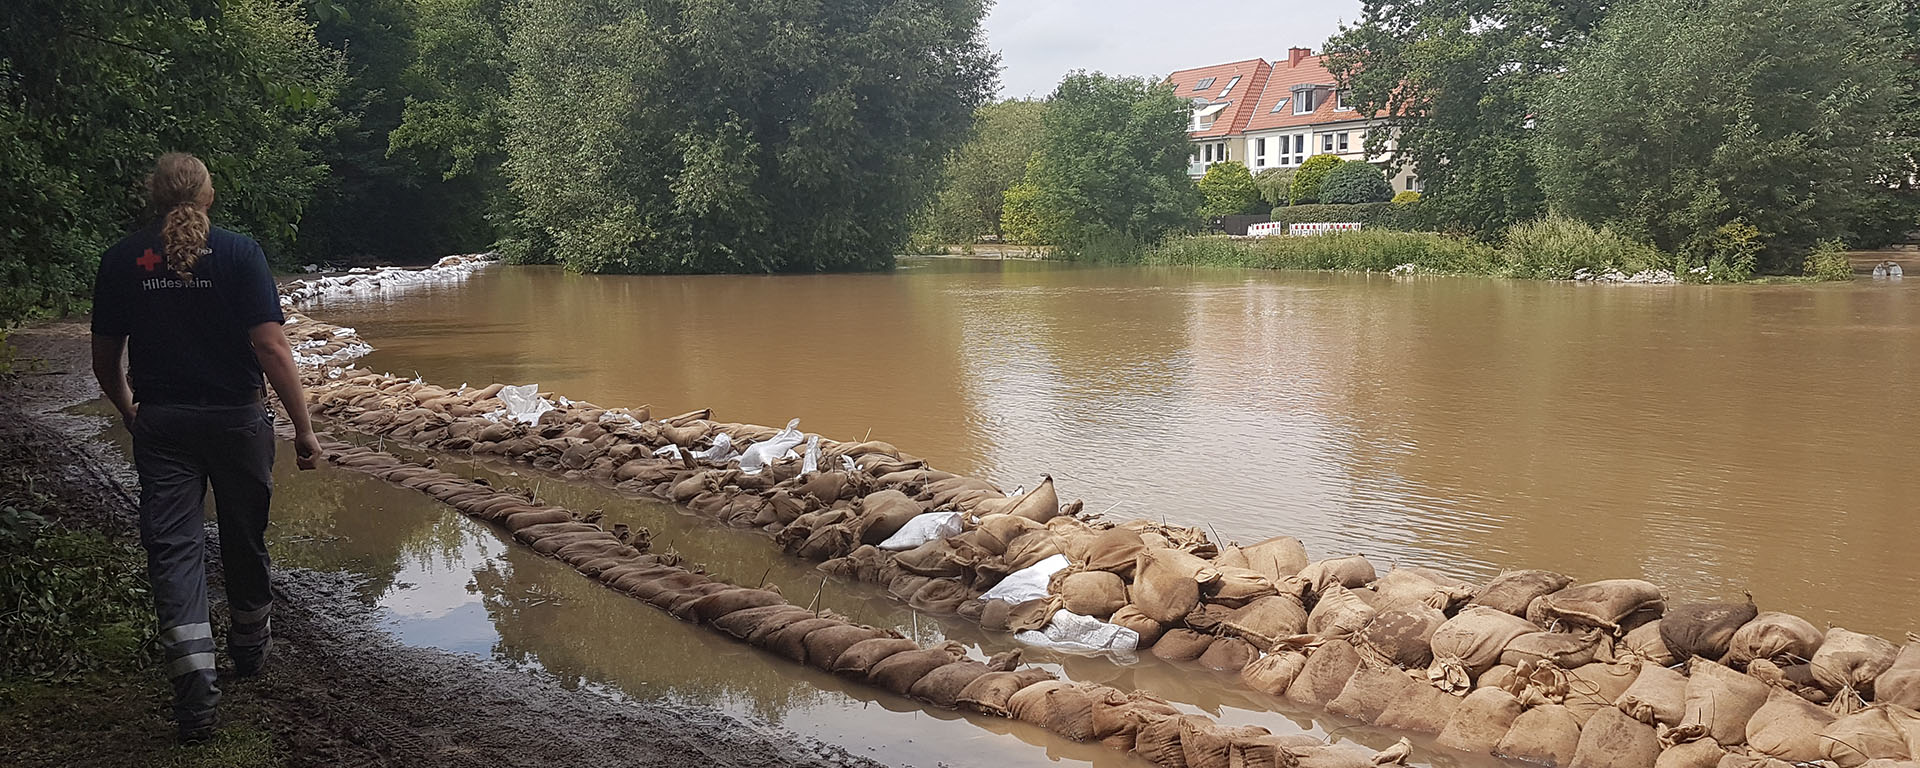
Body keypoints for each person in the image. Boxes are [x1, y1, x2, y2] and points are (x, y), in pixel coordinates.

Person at [89, 152, 324, 744]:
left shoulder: (123, 259)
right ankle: (249, 645)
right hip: (237, 422)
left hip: (163, 424)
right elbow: (271, 348)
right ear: (208, 195)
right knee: (244, 534)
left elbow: (104, 357)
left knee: (174, 552)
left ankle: (193, 686)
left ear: (153, 196)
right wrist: (303, 428)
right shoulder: (240, 253)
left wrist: (127, 408)